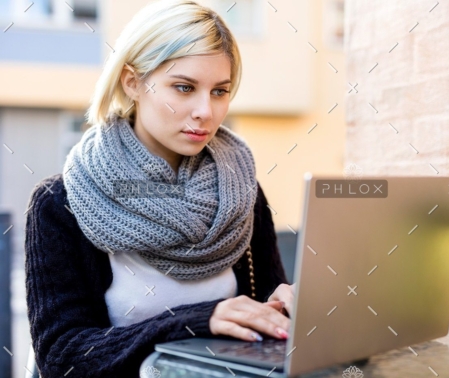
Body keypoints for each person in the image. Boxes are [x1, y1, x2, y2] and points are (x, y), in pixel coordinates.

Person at [24, 0, 295, 377]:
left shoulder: (240, 188)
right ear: (132, 82)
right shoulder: (60, 204)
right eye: (184, 88)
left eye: (220, 91)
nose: (206, 111)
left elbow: (263, 304)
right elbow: (62, 357)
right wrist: (197, 320)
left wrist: (282, 307)